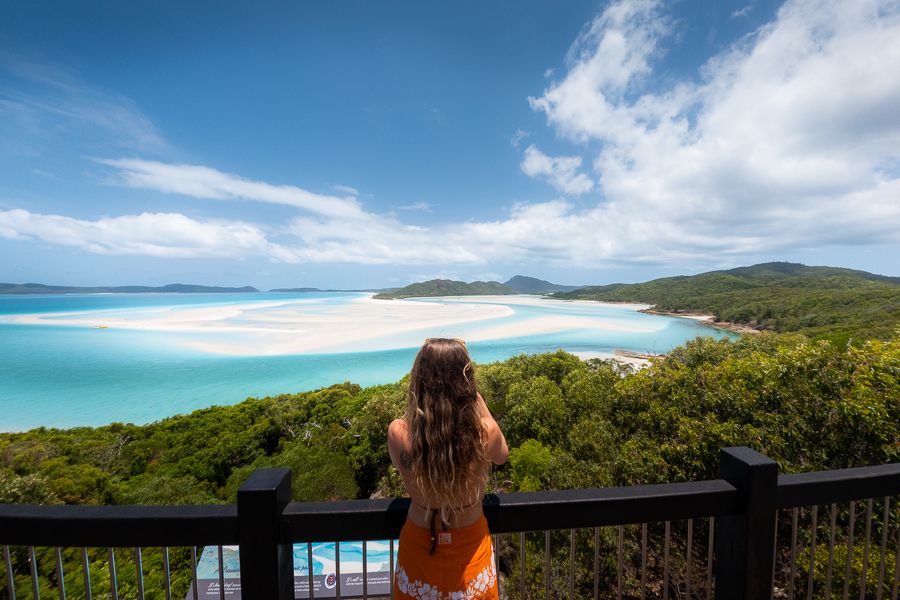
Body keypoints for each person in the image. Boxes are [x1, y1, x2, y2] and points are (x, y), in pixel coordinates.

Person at [388, 337, 509, 599]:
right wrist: (476, 399)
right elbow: (502, 456)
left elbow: (401, 464)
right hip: (470, 544)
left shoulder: (399, 433)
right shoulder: (483, 434)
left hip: (419, 542)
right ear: (465, 382)